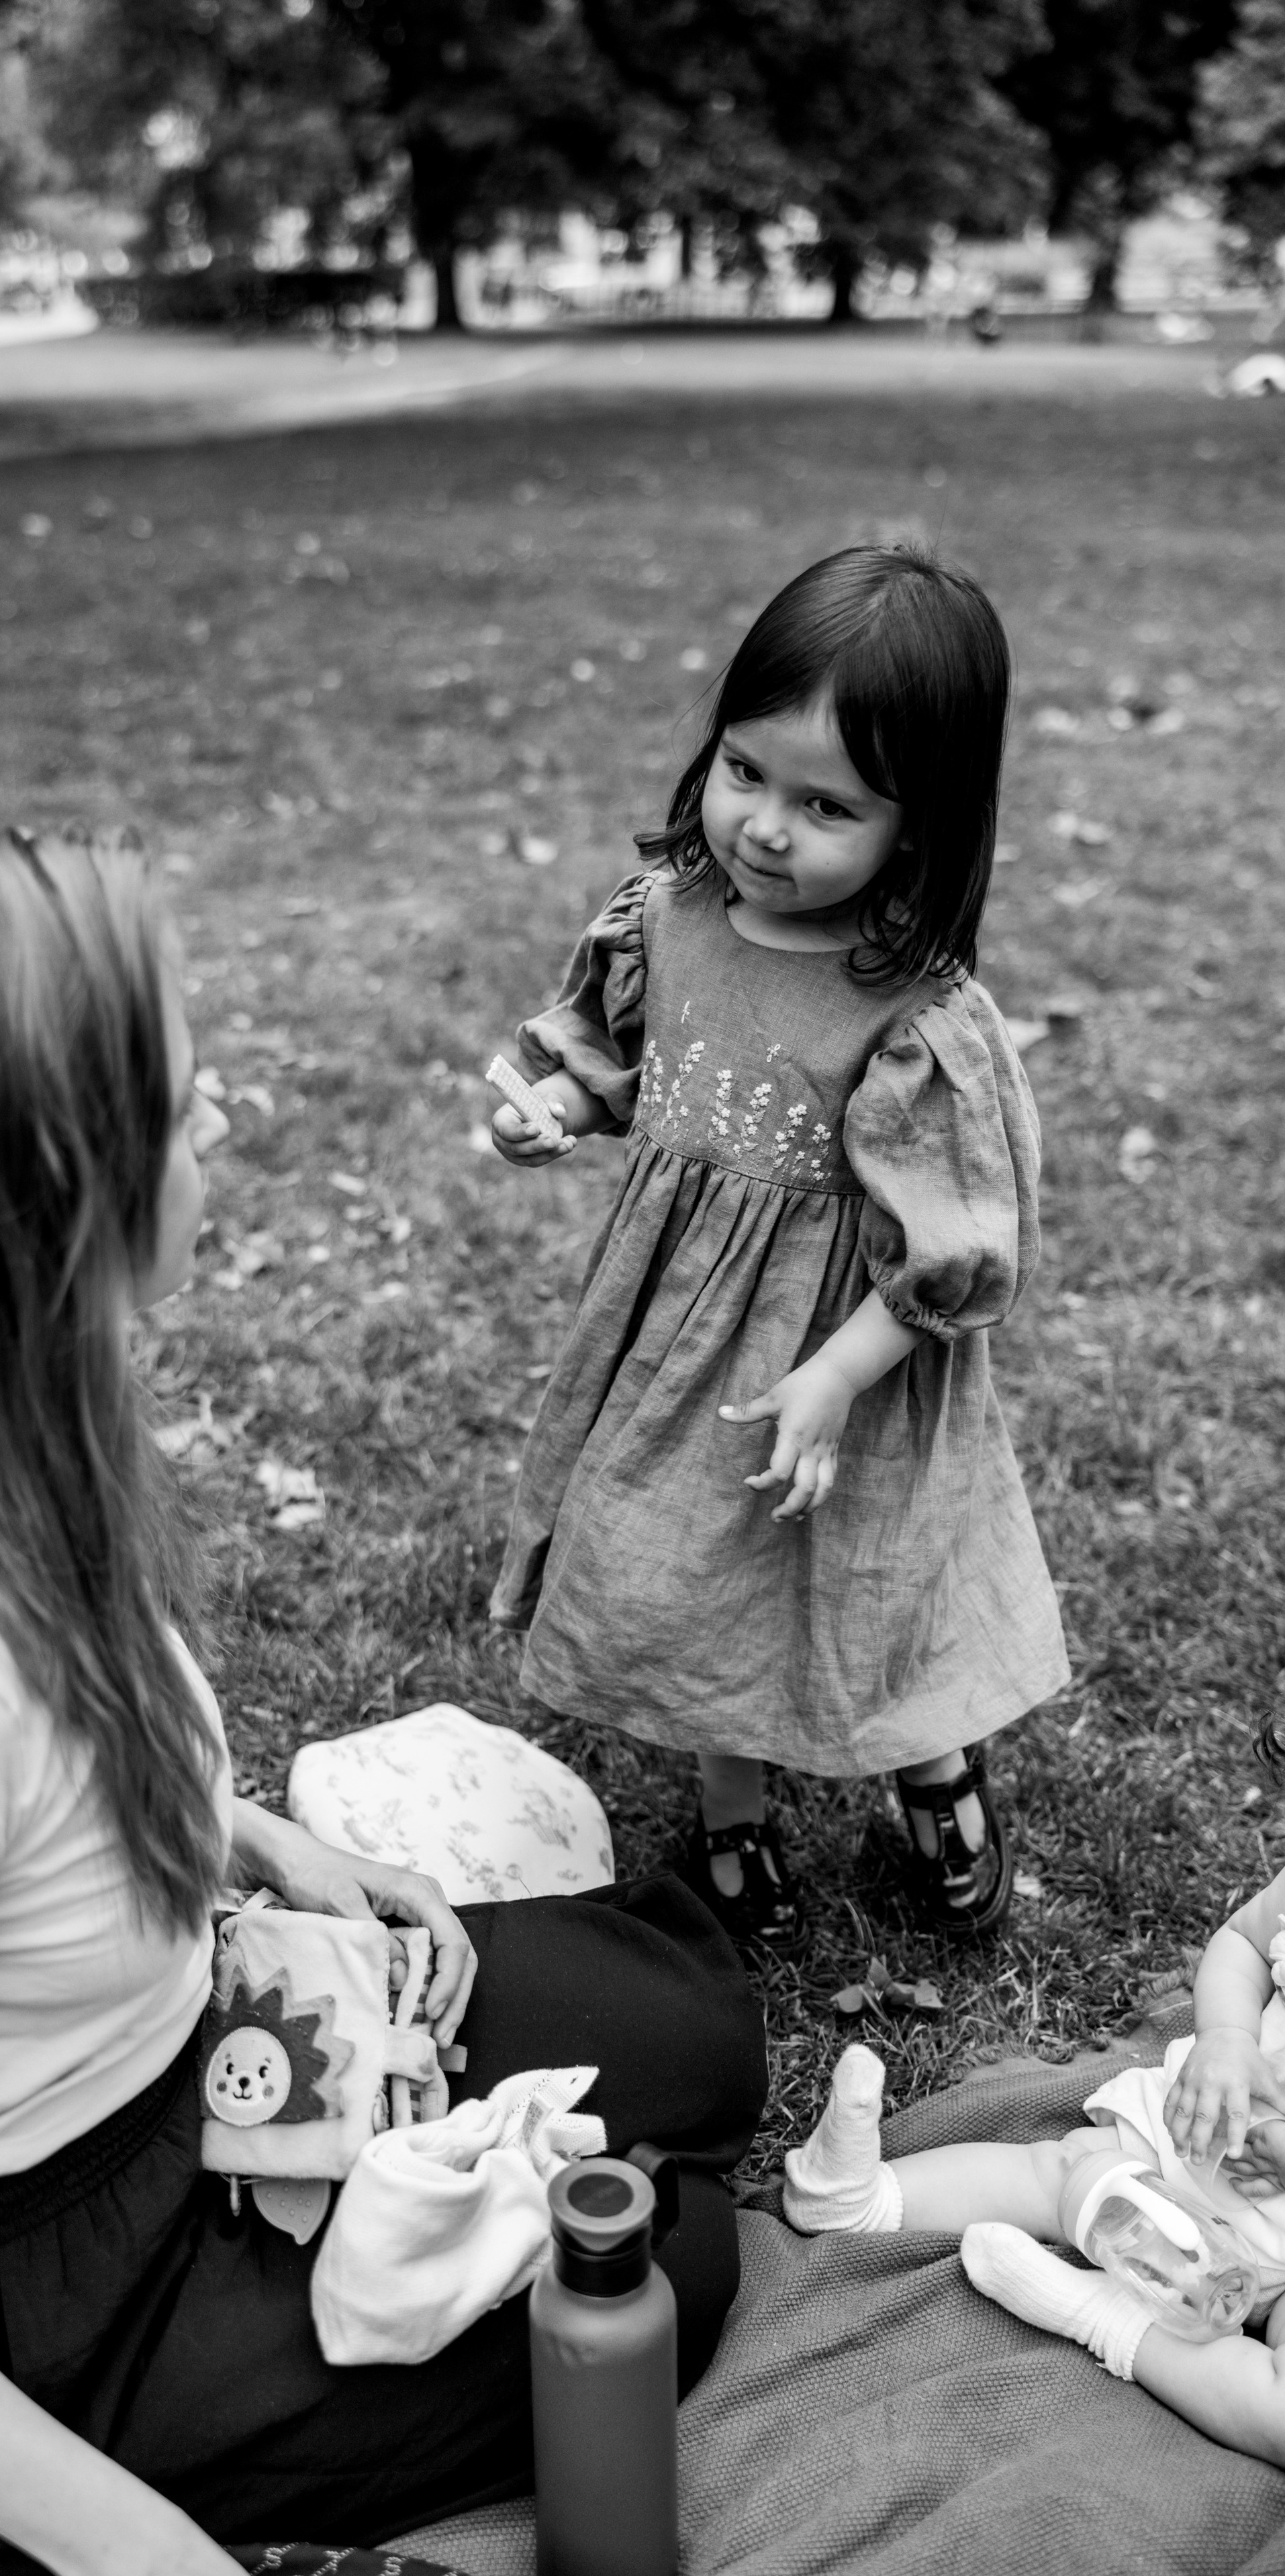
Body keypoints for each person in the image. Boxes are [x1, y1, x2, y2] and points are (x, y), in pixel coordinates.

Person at [0, 828, 767, 2576]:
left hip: (185, 2029)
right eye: (185, 1096)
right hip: (39, 2284)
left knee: (699, 2028)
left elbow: (61, 1770)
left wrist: (250, 1850)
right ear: (51, 1180)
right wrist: (136, 2547)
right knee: (668, 2257)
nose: (228, 1117)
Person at [488, 546, 1067, 1955]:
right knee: (682, 1573)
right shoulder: (666, 918)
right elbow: (621, 1060)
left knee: (868, 1589)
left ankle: (931, 1775)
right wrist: (554, 1108)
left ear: (914, 830)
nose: (761, 826)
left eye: (825, 806)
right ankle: (729, 1815)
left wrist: (837, 1369)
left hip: (842, 1359)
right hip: (674, 1339)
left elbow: (959, 1245)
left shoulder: (910, 1008)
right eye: (745, 771)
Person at [781, 1842, 1285, 2465]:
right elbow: (1242, 1943)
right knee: (1058, 2171)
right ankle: (856, 2199)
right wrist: (1228, 2038)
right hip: (1194, 2137)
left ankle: (1104, 2318)